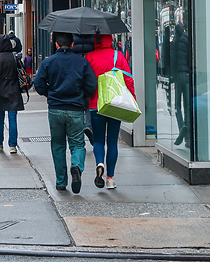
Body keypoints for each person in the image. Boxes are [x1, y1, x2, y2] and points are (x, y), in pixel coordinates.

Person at [33, 32, 97, 194]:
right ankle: (76, 165)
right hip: (75, 108)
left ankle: (61, 181)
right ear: (73, 44)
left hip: (55, 109)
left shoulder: (48, 62)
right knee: (78, 144)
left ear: (56, 45)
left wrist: (50, 93)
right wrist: (82, 96)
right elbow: (91, 84)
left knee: (58, 145)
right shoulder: (82, 62)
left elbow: (38, 83)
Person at [86, 34, 136, 189]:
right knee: (112, 141)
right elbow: (128, 79)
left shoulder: (89, 57)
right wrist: (132, 98)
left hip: (96, 105)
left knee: (99, 140)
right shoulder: (118, 56)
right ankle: (110, 178)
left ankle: (99, 163)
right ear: (110, 40)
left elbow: (85, 81)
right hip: (115, 104)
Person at [0, 34, 25, 154]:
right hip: (13, 89)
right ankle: (12, 145)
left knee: (0, 118)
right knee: (12, 118)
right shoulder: (14, 57)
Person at [170, 22, 190, 146]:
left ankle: (181, 126)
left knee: (177, 106)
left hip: (178, 76)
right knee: (187, 106)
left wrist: (171, 75)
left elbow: (171, 60)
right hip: (187, 75)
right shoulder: (188, 40)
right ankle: (188, 137)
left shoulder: (174, 43)